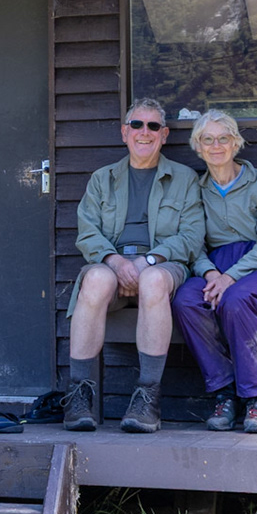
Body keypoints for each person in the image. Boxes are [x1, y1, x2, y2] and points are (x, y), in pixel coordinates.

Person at [65, 98, 205, 433]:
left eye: (153, 126)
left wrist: (148, 261)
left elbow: (191, 235)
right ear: (124, 133)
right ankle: (79, 396)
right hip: (112, 264)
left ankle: (147, 399)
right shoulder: (103, 179)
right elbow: (87, 232)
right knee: (95, 280)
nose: (145, 132)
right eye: (137, 125)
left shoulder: (184, 178)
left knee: (154, 280)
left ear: (165, 134)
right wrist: (114, 260)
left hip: (161, 264)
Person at [172, 110, 257, 433]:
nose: (216, 145)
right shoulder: (196, 190)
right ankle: (225, 392)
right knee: (185, 300)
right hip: (215, 268)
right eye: (207, 139)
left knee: (235, 300)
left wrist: (229, 277)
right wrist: (210, 274)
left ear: (235, 143)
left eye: (223, 138)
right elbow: (193, 243)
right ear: (198, 146)